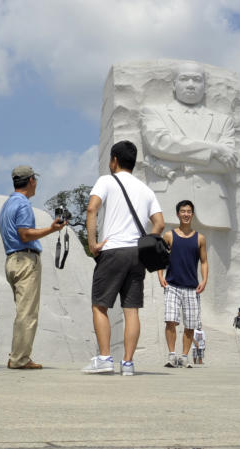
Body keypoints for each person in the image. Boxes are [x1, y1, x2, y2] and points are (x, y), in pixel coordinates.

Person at [83, 141, 164, 377]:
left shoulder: (106, 181)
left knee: (100, 305)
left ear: (114, 160)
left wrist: (92, 242)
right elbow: (159, 223)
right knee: (131, 310)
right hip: (137, 253)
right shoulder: (146, 190)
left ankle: (105, 358)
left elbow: (91, 209)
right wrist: (149, 240)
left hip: (112, 250)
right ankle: (128, 363)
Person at [140, 62, 240, 232]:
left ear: (205, 86)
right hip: (168, 201)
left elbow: (228, 162)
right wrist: (214, 149)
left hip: (214, 206)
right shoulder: (154, 113)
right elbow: (162, 143)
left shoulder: (223, 121)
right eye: (184, 79)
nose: (191, 85)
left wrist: (181, 165)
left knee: (212, 260)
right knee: (166, 258)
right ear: (174, 85)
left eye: (197, 80)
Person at [0, 166, 66, 369]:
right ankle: (20, 359)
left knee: (22, 311)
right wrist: (51, 229)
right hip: (26, 260)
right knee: (27, 313)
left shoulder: (6, 205)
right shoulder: (24, 205)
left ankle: (17, 354)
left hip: (11, 260)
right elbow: (25, 234)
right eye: (35, 179)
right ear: (30, 181)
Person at [157, 200, 208, 368]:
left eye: (189, 211)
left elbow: (204, 261)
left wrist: (204, 280)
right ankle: (172, 355)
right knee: (170, 320)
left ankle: (184, 356)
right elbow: (160, 258)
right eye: (183, 211)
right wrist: (160, 275)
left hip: (192, 287)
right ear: (178, 214)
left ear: (192, 214)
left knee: (191, 324)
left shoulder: (200, 238)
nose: (186, 214)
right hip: (172, 285)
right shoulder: (169, 235)